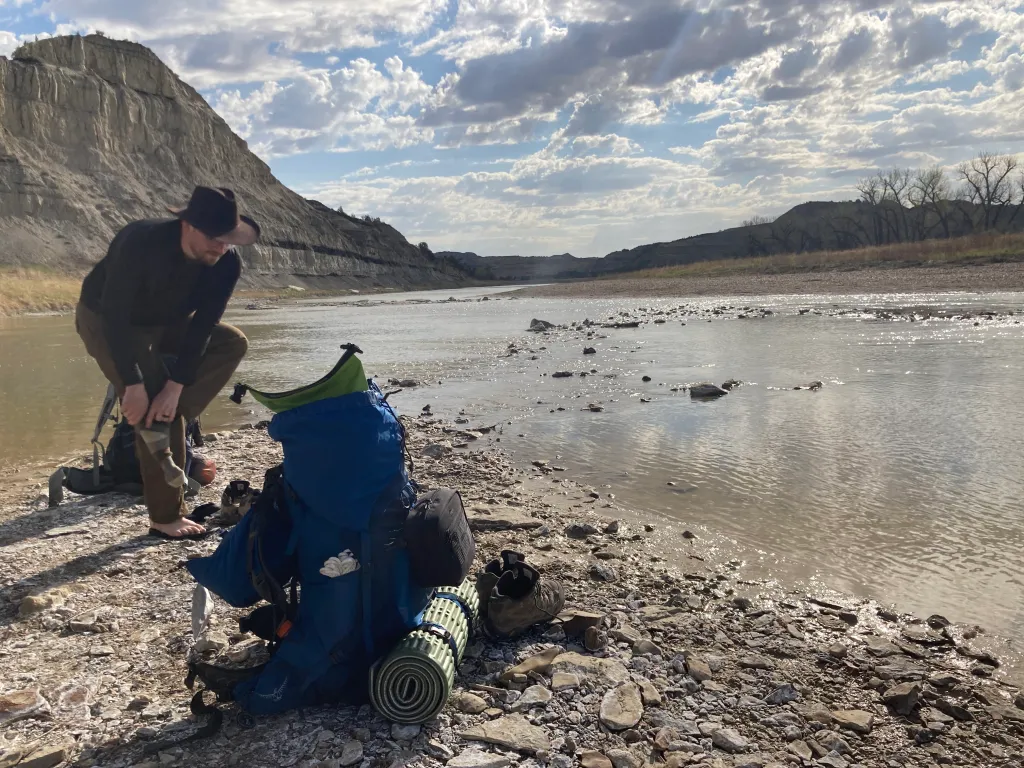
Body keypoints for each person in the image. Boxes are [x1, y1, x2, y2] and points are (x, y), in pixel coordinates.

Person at [75, 186, 259, 539]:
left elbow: (204, 326)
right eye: (213, 238)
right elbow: (115, 316)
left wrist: (175, 388)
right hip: (106, 320)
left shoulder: (226, 262)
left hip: (166, 324)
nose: (221, 247)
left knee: (230, 342)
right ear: (187, 225)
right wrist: (132, 383)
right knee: (151, 403)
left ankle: (170, 416)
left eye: (228, 239)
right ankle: (166, 516)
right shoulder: (140, 241)